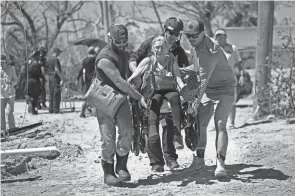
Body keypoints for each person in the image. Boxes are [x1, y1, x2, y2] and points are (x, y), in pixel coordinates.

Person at [181, 20, 236, 177]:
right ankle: (199, 161)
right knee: (201, 123)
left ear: (203, 33)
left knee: (220, 123)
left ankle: (221, 163)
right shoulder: (196, 47)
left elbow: (203, 80)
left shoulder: (211, 50)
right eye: (188, 36)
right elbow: (198, 69)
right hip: (210, 89)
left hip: (225, 88)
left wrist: (195, 103)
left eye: (194, 36)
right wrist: (179, 70)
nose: (191, 39)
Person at [95, 24, 147, 186]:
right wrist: (139, 97)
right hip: (104, 98)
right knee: (108, 138)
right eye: (118, 42)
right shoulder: (104, 58)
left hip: (121, 98)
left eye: (125, 41)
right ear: (110, 39)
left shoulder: (124, 53)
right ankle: (108, 172)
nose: (122, 44)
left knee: (128, 131)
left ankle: (122, 165)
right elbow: (118, 80)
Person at [129, 16, 189, 150]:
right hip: (148, 86)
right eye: (171, 32)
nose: (173, 36)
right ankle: (155, 158)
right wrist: (139, 73)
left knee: (175, 102)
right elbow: (133, 58)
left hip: (169, 87)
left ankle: (173, 147)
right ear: (165, 30)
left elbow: (183, 71)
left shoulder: (178, 52)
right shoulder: (151, 43)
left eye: (177, 34)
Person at [128, 36, 186, 172]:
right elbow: (136, 72)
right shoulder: (148, 61)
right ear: (153, 49)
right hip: (153, 95)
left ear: (167, 48)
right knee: (152, 124)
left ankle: (171, 158)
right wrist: (129, 82)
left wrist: (183, 87)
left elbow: (178, 76)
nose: (160, 49)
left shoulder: (172, 60)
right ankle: (157, 163)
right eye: (157, 47)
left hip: (170, 96)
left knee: (169, 126)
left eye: (163, 47)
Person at [215, 29, 245, 129]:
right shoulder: (213, 49)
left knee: (231, 102)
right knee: (217, 102)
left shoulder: (233, 48)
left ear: (225, 37)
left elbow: (239, 63)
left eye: (222, 36)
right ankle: (218, 123)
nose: (219, 38)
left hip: (230, 78)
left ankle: (231, 123)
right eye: (218, 36)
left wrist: (242, 75)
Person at [20, 49, 45, 115]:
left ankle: (29, 102)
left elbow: (22, 71)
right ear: (36, 55)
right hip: (36, 81)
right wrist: (43, 79)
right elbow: (42, 72)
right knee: (35, 96)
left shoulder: (27, 62)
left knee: (27, 94)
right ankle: (33, 110)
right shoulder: (39, 63)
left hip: (28, 80)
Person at [76, 46, 96, 118]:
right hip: (94, 80)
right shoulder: (95, 59)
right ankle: (94, 113)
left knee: (86, 97)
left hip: (86, 81)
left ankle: (82, 112)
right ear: (94, 52)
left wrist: (77, 78)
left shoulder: (85, 60)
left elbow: (82, 70)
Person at [1, 53, 17, 131]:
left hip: (10, 94)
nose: (1, 64)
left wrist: (11, 83)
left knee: (9, 112)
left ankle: (12, 129)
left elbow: (16, 81)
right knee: (1, 114)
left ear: (6, 61)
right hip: (0, 95)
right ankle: (2, 129)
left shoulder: (12, 68)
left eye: (2, 62)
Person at [47, 48, 64, 114]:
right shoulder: (56, 59)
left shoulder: (49, 59)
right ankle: (56, 110)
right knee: (56, 93)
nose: (59, 53)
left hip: (50, 77)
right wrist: (62, 78)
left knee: (51, 93)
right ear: (56, 52)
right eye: (59, 52)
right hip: (55, 77)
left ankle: (50, 109)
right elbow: (56, 69)